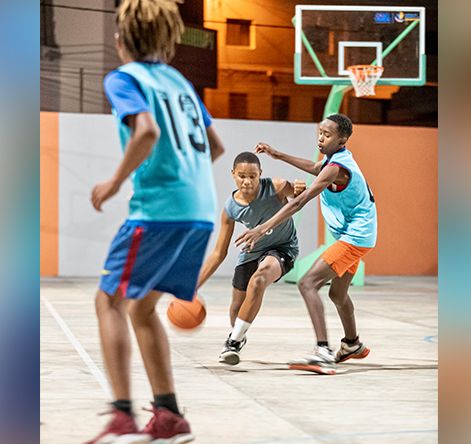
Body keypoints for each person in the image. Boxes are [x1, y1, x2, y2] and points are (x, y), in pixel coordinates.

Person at [87, 0, 225, 442]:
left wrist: (113, 183)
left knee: (108, 299)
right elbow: (215, 146)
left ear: (122, 40)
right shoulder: (180, 82)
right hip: (201, 211)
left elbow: (146, 131)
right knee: (141, 305)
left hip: (161, 211)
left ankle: (121, 411)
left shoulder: (124, 78)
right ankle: (168, 413)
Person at [235, 114, 376, 375]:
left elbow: (300, 201)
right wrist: (278, 155)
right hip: (359, 235)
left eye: (327, 134)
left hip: (354, 237)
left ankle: (322, 351)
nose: (320, 138)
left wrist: (263, 227)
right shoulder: (336, 160)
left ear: (342, 139)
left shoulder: (336, 168)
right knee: (337, 294)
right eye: (319, 132)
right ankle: (352, 344)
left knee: (307, 282)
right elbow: (315, 167)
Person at [195, 152, 305, 365]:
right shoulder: (230, 209)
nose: (247, 181)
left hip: (283, 248)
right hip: (252, 251)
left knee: (259, 280)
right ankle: (238, 335)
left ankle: (233, 342)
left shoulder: (277, 186)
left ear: (260, 174)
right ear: (233, 174)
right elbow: (219, 253)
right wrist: (193, 287)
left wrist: (299, 189)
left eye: (252, 176)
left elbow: (297, 199)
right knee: (236, 306)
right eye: (242, 176)